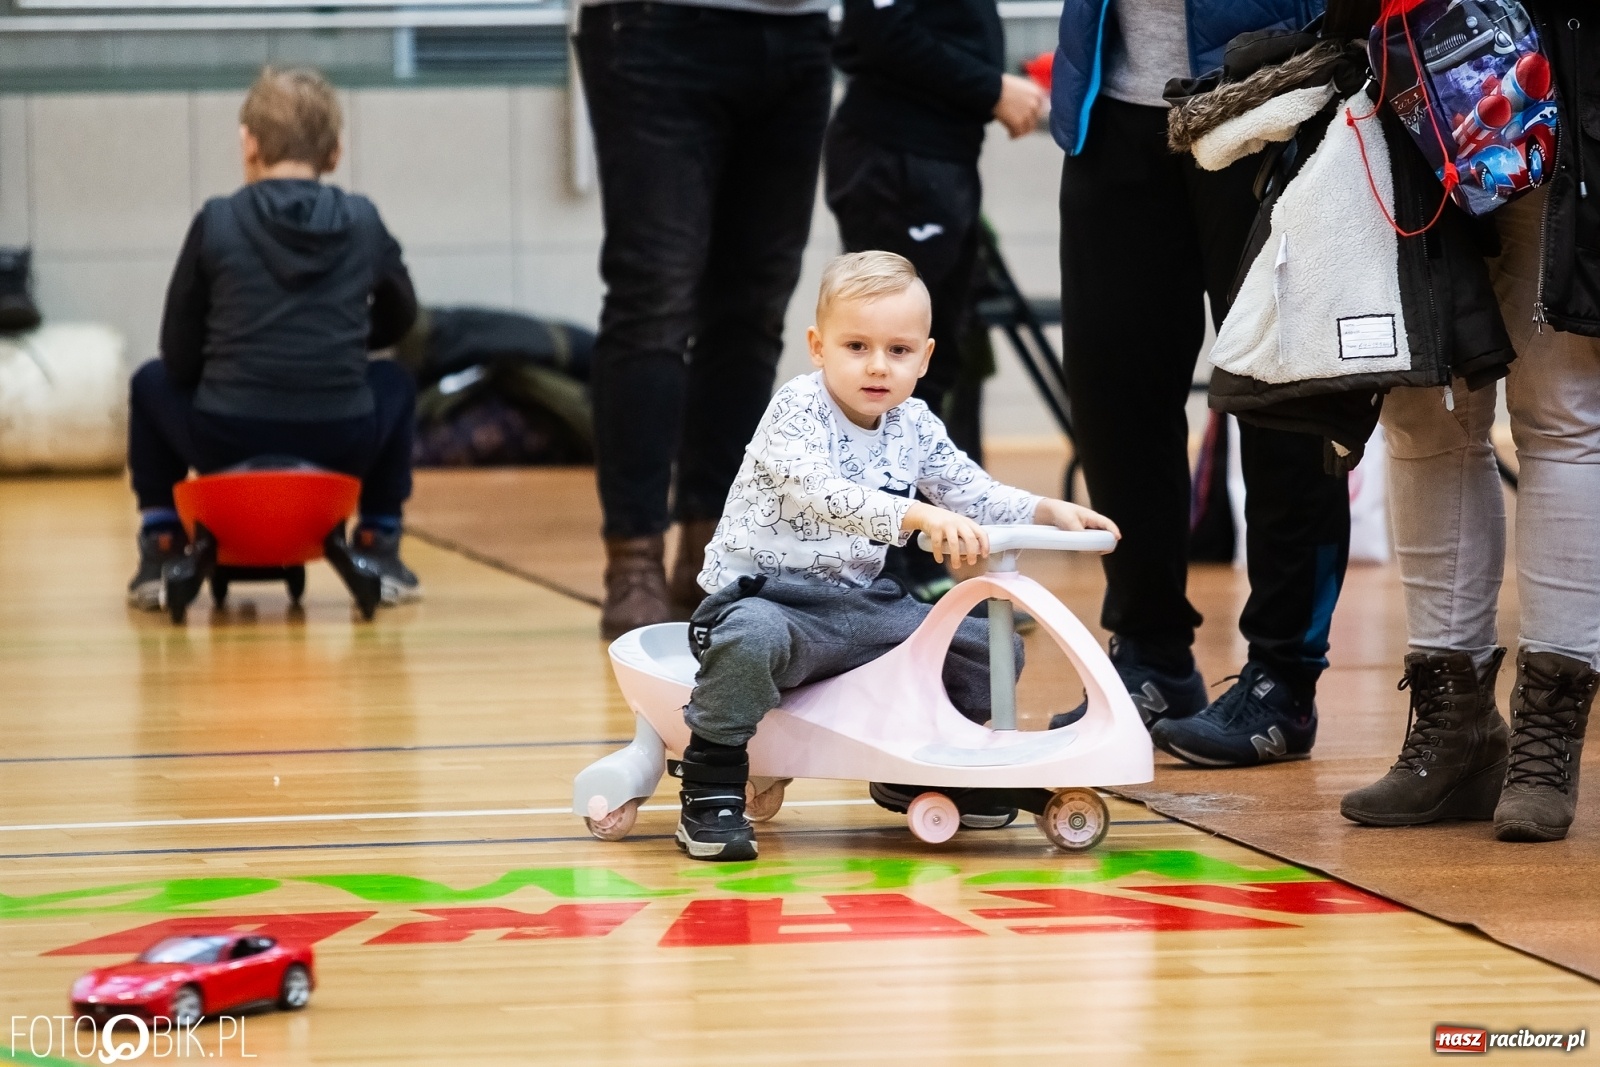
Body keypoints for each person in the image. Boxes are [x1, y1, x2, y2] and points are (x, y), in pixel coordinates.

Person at [673, 251, 1120, 861]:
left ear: (925, 357)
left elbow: (971, 491)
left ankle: (919, 764)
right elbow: (819, 492)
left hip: (859, 606)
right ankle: (712, 784)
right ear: (817, 346)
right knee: (749, 639)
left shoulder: (912, 423)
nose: (877, 366)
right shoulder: (797, 409)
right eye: (856, 346)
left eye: (898, 350)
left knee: (989, 647)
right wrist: (919, 518)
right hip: (769, 601)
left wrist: (1045, 508)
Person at [1049, 0, 1354, 767]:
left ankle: (1284, 676)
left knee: (1283, 396)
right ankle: (1150, 654)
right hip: (1112, 106)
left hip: (1269, 91)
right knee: (1115, 397)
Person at [1342, 0, 1598, 843]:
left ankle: (1547, 738)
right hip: (1404, 85)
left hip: (1561, 81)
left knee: (1560, 413)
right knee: (1422, 413)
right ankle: (1456, 729)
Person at [573, 0, 835, 638]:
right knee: (654, 299)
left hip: (799, 31)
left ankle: (715, 548)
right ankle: (634, 558)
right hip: (656, 26)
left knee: (754, 307)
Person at [126, 67, 420, 610]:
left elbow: (178, 353)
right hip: (342, 438)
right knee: (396, 381)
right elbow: (404, 317)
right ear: (334, 153)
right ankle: (379, 544)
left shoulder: (217, 220)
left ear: (250, 144)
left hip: (227, 436)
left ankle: (163, 546)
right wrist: (348, 345)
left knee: (149, 382)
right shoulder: (363, 220)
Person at [824, 0, 1048, 603]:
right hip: (897, 159)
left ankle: (909, 561)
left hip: (941, 159)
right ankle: (883, 569)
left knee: (933, 363)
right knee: (887, 370)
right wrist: (990, 87)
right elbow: (877, 31)